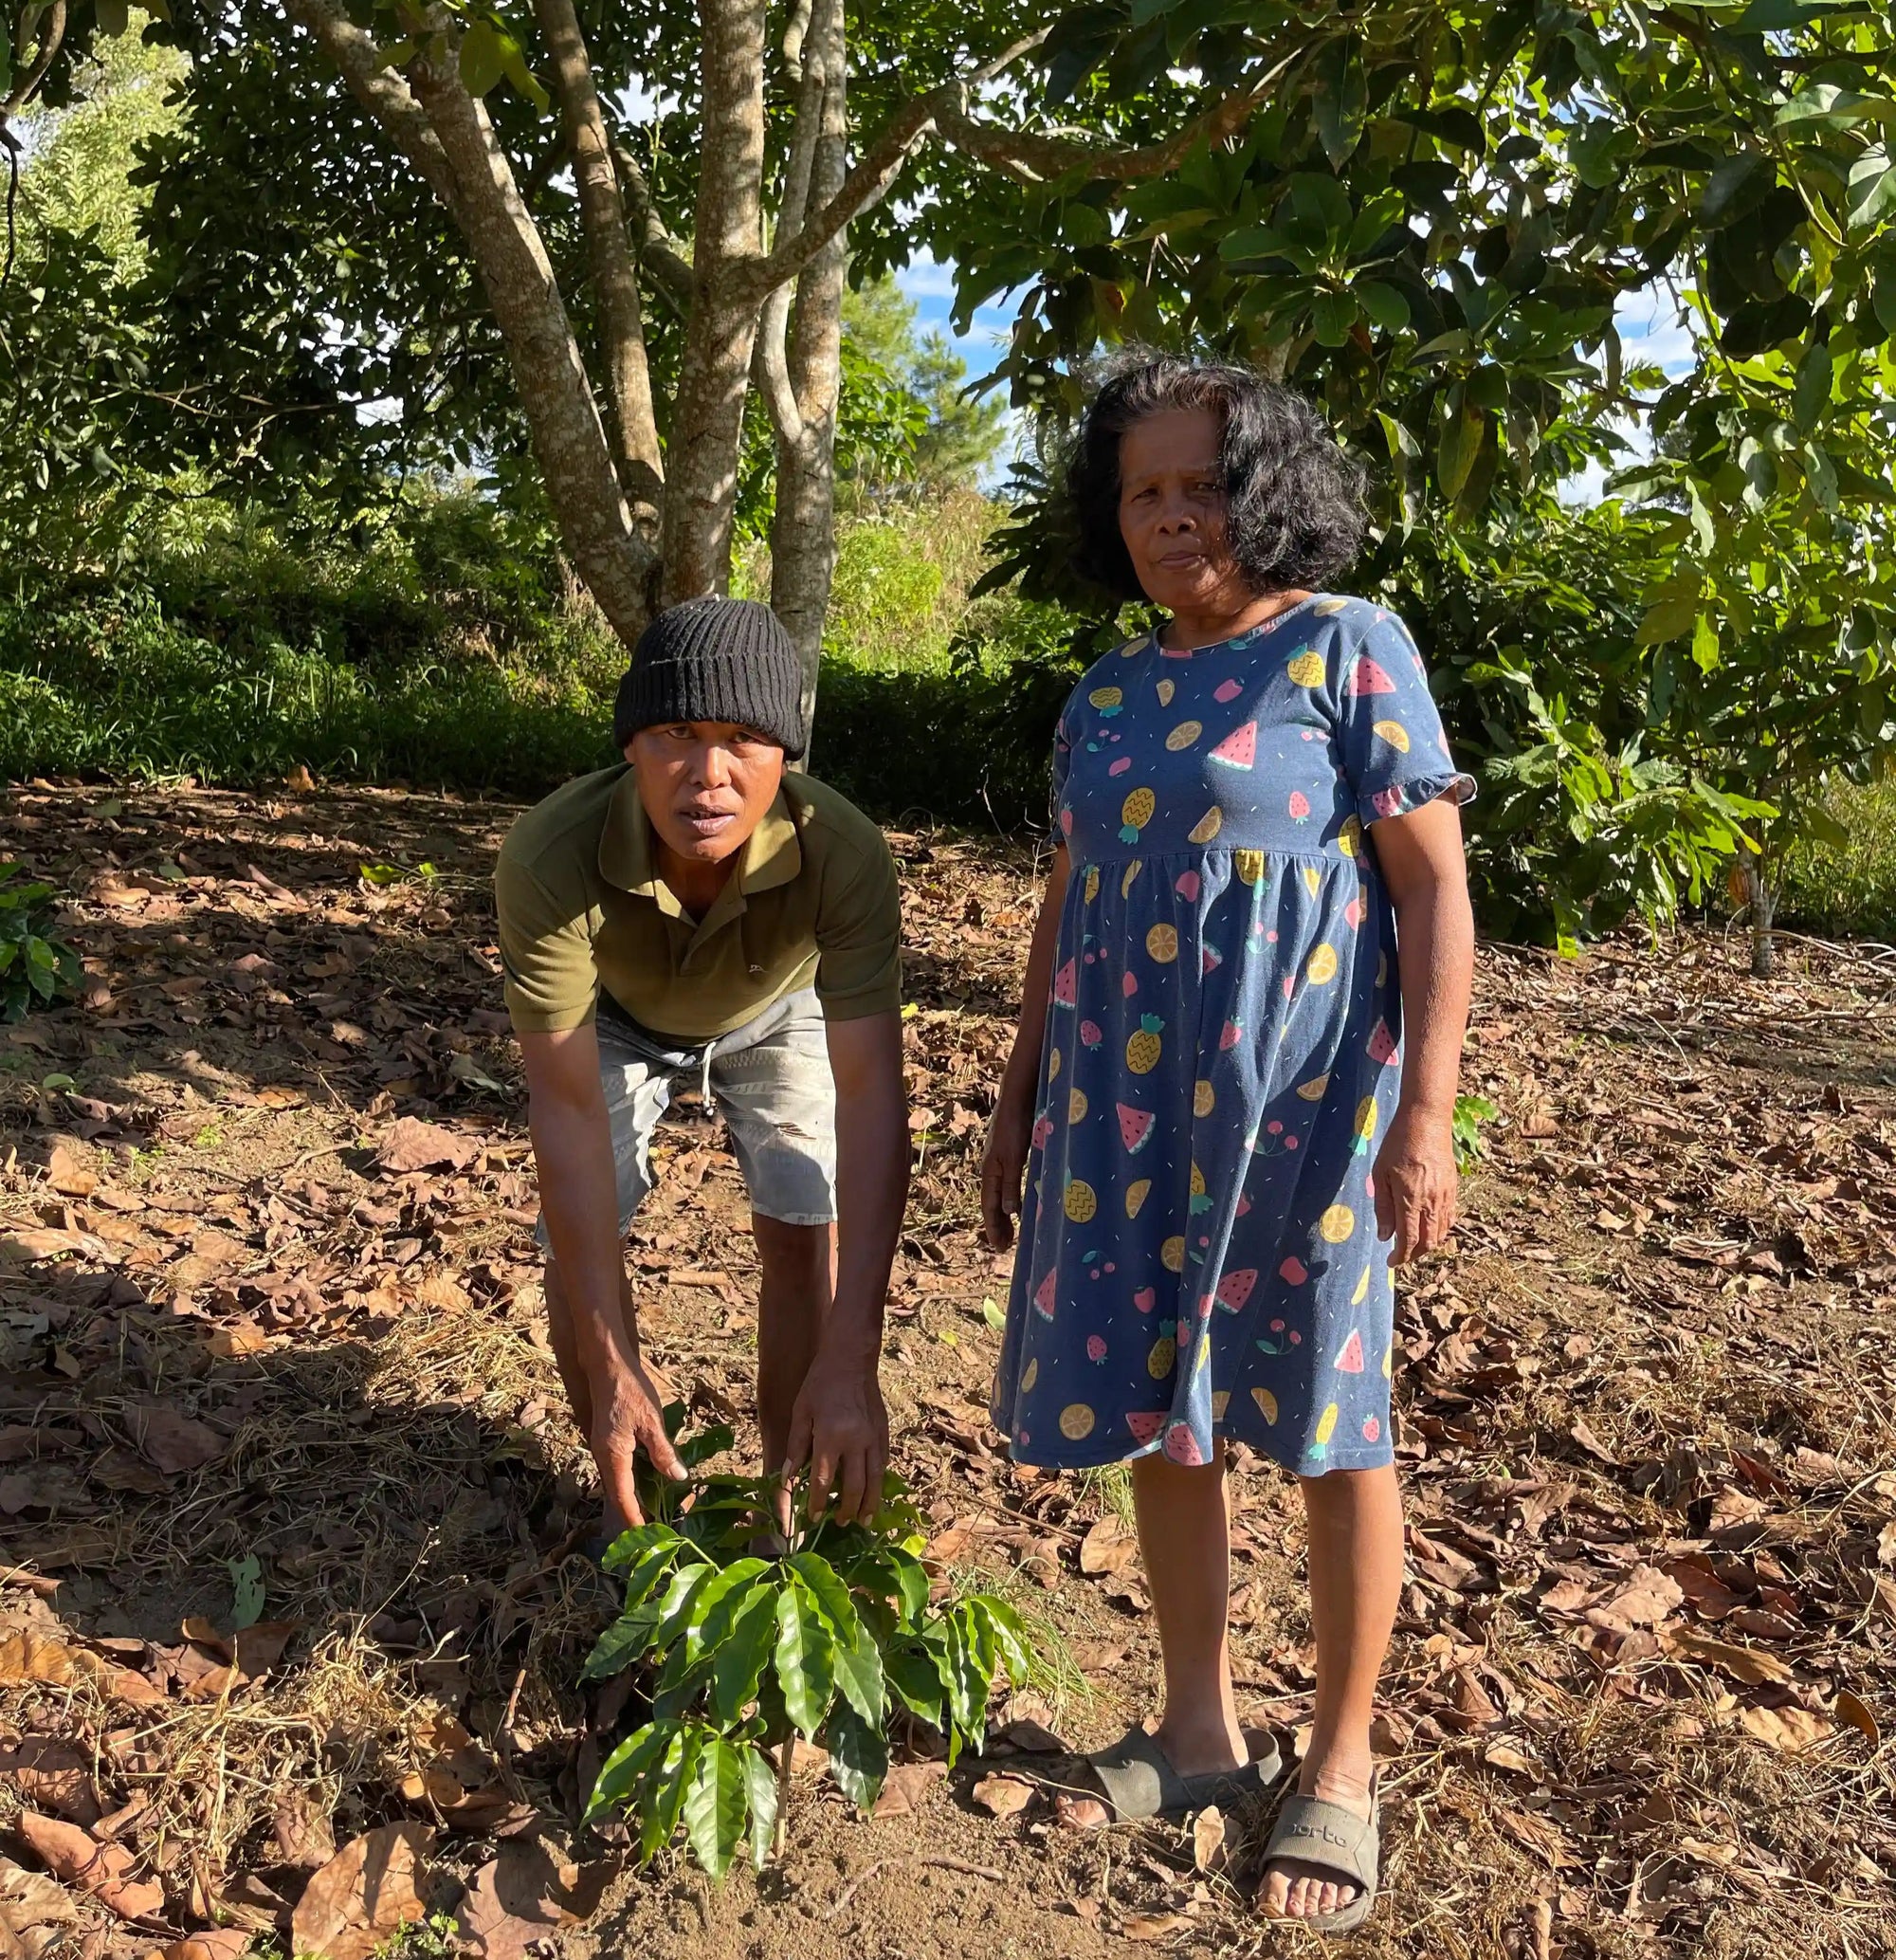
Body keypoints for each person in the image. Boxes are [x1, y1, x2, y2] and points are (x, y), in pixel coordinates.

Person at [981, 356, 1475, 1933]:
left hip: (1306, 1113)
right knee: (1163, 1406)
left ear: (1266, 489)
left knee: (1333, 1421)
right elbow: (1070, 907)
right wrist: (1016, 1096)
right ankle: (1197, 1733)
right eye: (1145, 490)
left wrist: (1429, 1113)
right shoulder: (1107, 694)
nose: (1175, 514)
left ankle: (1336, 1760)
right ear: (1108, 517)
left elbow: (1433, 891)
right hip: (1124, 1113)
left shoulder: (1349, 648)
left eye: (1203, 482)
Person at [496, 595, 909, 1544]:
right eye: (677, 734)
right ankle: (630, 1494)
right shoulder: (550, 856)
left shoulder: (838, 855)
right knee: (583, 1233)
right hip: (615, 1013)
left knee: (805, 1210)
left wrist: (853, 1360)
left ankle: (788, 1502)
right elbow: (564, 1115)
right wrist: (609, 1364)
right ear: (631, 747)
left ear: (786, 758)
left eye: (744, 740)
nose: (708, 774)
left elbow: (870, 1102)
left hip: (778, 1003)